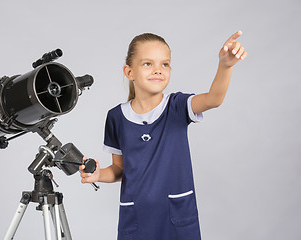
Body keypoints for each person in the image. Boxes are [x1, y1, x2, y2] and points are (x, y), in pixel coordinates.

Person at [79, 31, 247, 240]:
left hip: (176, 218)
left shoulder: (177, 106)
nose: (158, 70)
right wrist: (98, 175)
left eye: (165, 64)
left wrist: (225, 66)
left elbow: (214, 99)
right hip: (136, 219)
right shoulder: (116, 117)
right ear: (129, 71)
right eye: (148, 64)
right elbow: (120, 169)